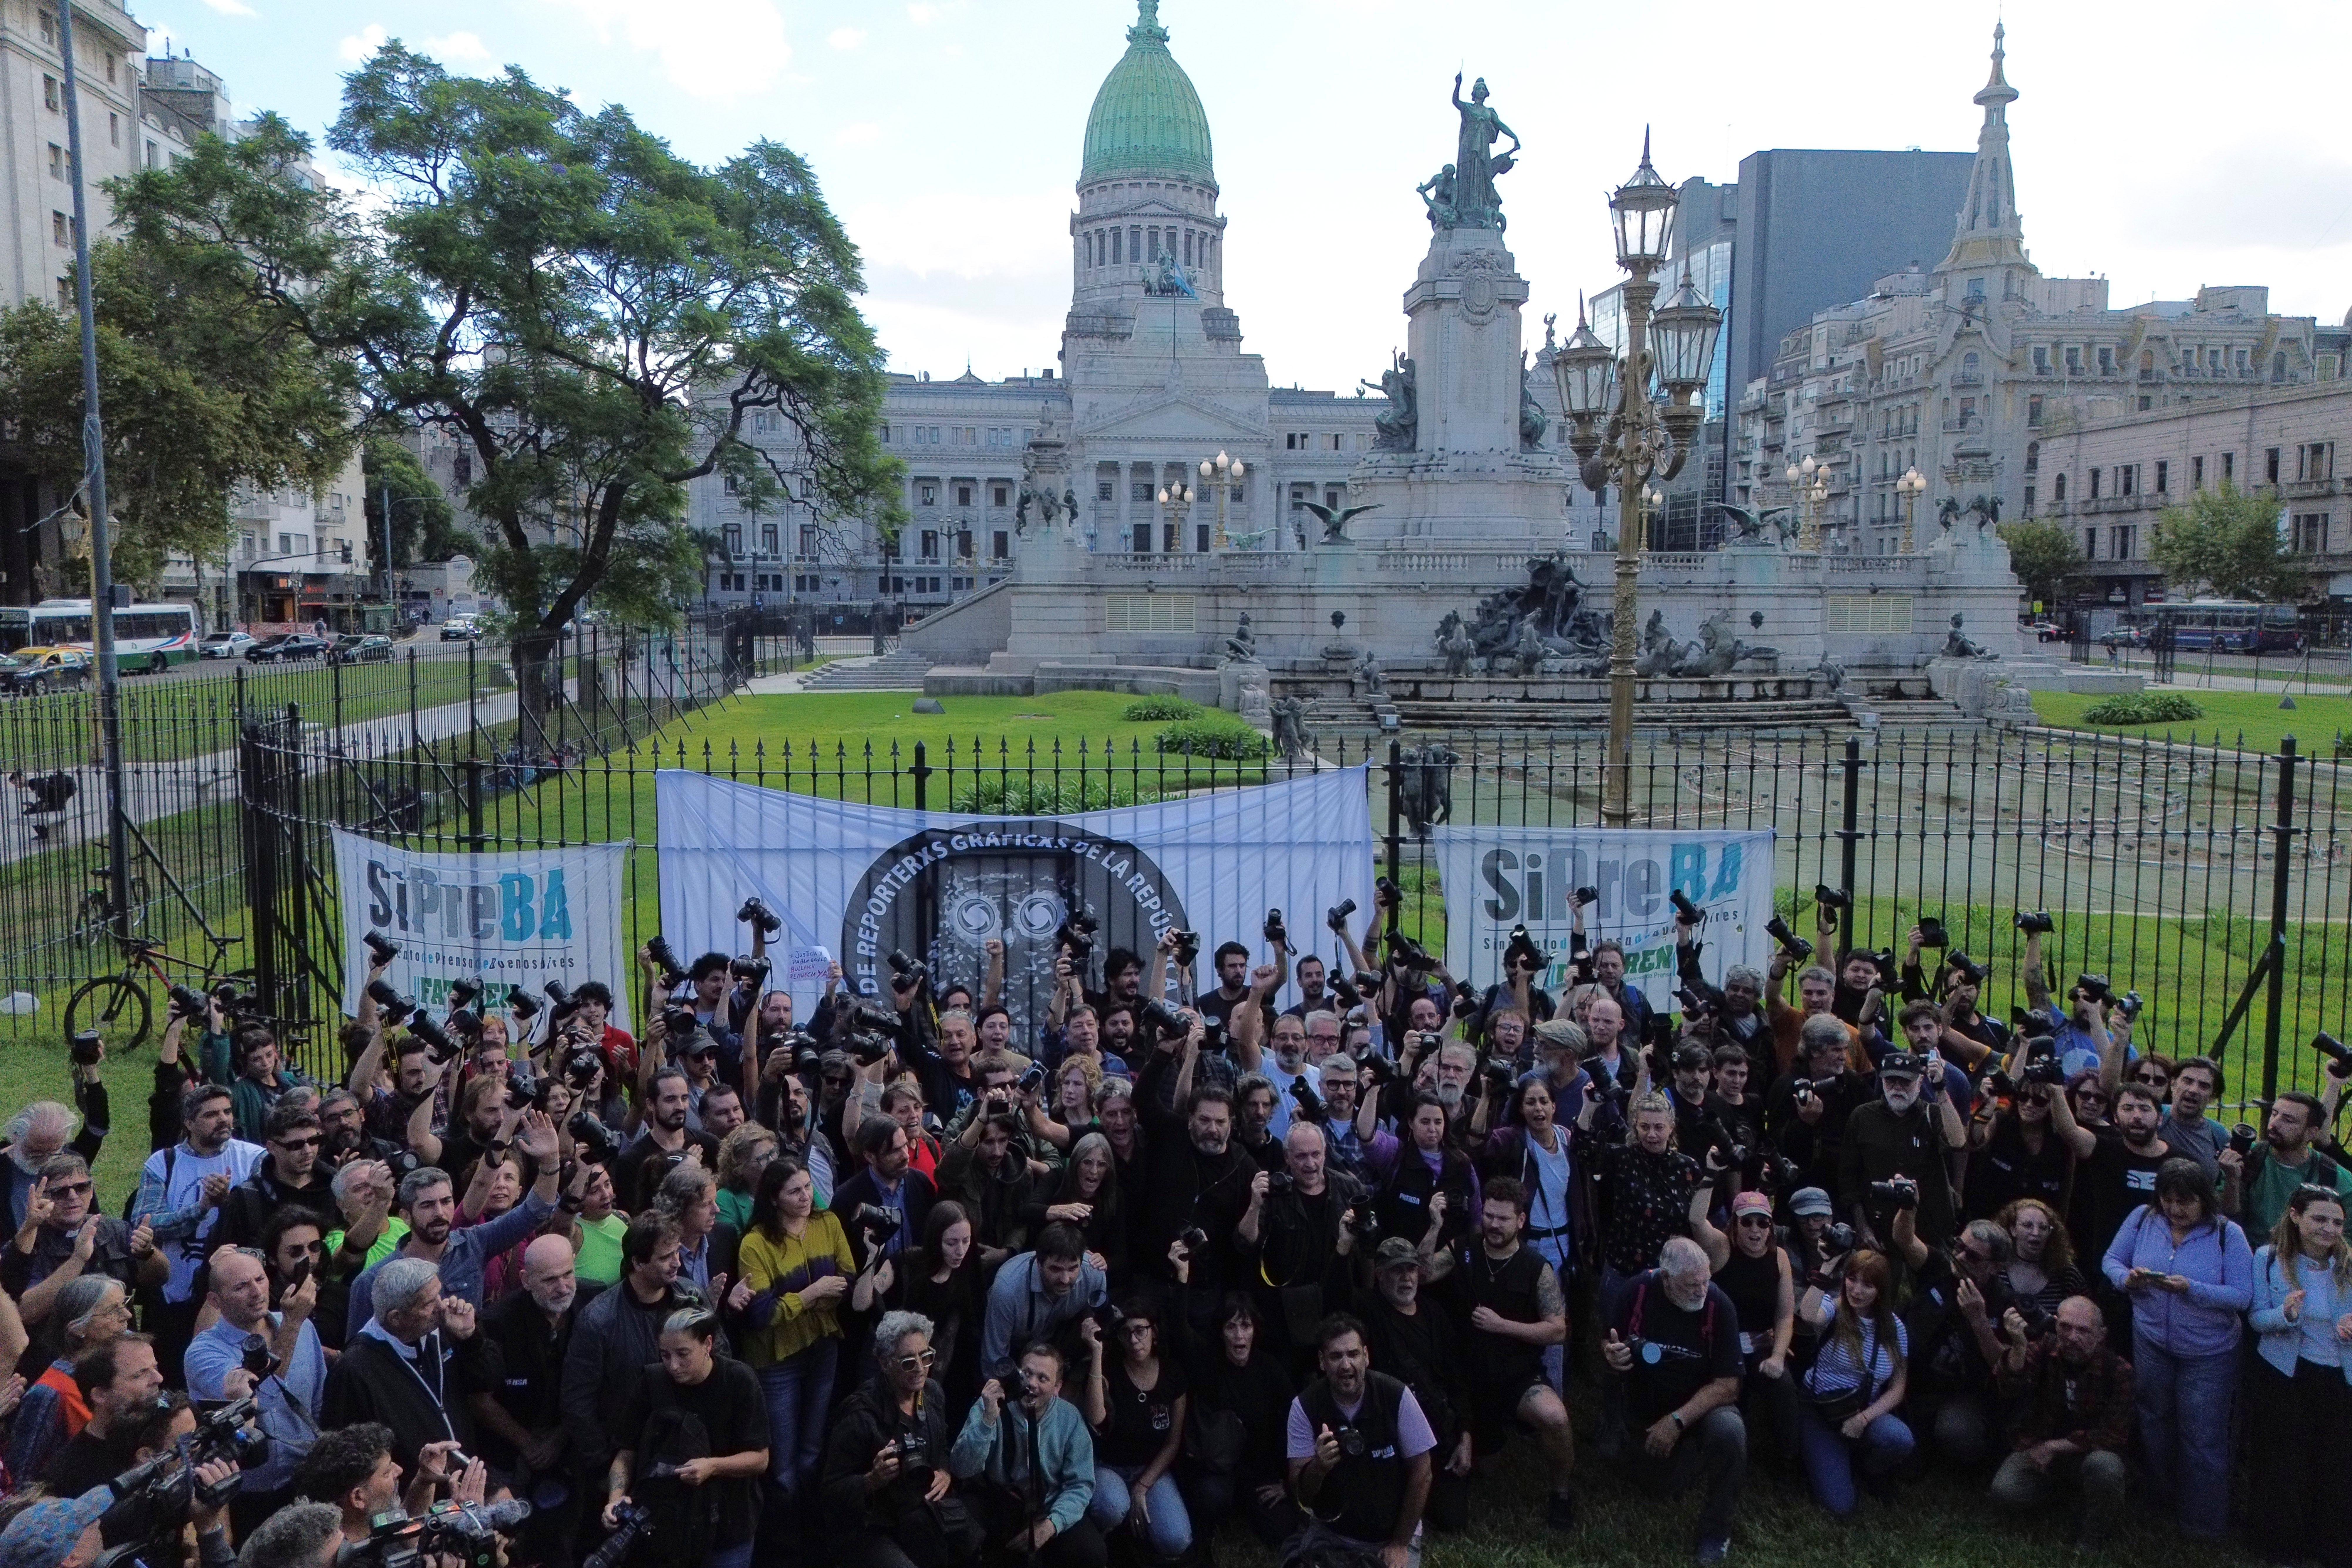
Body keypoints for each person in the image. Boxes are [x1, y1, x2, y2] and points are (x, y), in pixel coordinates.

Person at [2099, 1157, 2252, 1539]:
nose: (2174, 1210)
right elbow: (2112, 1259)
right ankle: (2160, 1499)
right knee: (2154, 1419)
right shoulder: (2142, 1218)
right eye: (2167, 1200)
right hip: (2151, 1340)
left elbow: (2242, 1295)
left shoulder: (2227, 1234)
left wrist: (2192, 1289)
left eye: (2185, 1202)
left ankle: (2203, 1522)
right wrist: (2127, 1280)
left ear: (2204, 1199)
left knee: (2203, 1436)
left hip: (2209, 1353)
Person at [1421, 1177, 1574, 1527]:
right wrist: (1434, 1227)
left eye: (1503, 1218)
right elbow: (1422, 1274)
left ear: (1520, 1221)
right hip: (1466, 1378)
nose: (1493, 1224)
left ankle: (1561, 1493)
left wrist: (1502, 1325)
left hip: (1516, 1375)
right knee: (1484, 1468)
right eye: (1489, 1216)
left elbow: (1557, 1330)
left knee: (1555, 1418)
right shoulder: (1463, 1249)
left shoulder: (1536, 1268)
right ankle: (1488, 1441)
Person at [346, 1110, 563, 1333]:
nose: (440, 1212)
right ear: (406, 1216)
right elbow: (359, 1347)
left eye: (446, 1201)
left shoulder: (474, 1244)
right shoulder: (373, 1281)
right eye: (427, 1205)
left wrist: (550, 1160)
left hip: (471, 1353)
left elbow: (535, 1211)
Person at [1601, 1237, 1746, 1564]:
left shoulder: (1719, 1305)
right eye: (1692, 1285)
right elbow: (1608, 1340)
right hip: (1649, 1404)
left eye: (1706, 1281)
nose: (1701, 1291)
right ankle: (1686, 1455)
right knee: (1660, 1487)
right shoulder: (1637, 1291)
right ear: (1665, 1277)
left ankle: (1716, 1530)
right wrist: (1612, 1355)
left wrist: (1677, 1421)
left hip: (1703, 1404)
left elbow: (1728, 1386)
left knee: (1729, 1432)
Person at [602, 1307, 770, 1568]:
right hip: (666, 1526)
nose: (674, 1366)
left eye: (683, 1354)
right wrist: (616, 1499)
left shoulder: (740, 1381)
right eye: (665, 1355)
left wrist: (712, 1466)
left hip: (728, 1524)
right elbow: (626, 1451)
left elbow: (760, 1459)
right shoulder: (652, 1382)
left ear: (708, 1345)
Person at [563, 1215, 713, 1504]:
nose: (677, 1262)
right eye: (665, 1257)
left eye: (677, 1252)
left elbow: (720, 1360)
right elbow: (578, 1401)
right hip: (624, 1459)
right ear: (638, 1262)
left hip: (691, 1453)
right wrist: (604, 1465)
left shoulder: (691, 1297)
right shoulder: (599, 1320)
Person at [736, 1156, 854, 1509]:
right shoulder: (755, 1243)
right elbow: (762, 1313)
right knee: (783, 1463)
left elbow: (847, 1279)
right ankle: (783, 1529)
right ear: (774, 1198)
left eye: (807, 1187)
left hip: (823, 1345)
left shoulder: (827, 1222)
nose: (806, 1197)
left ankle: (811, 1521)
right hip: (777, 1359)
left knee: (813, 1449)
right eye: (794, 1191)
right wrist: (812, 1293)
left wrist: (805, 1300)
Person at [2247, 1184, 2352, 1566]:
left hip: (2339, 1378)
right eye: (2320, 1219)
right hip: (2286, 1374)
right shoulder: (2268, 1258)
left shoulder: (2349, 1264)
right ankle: (2282, 1547)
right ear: (2295, 1216)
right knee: (2285, 1463)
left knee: (2336, 1465)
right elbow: (2256, 1318)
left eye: (2337, 1222)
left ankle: (2332, 1547)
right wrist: (2285, 1314)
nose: (2329, 1229)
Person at [187, 1245, 325, 1532]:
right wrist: (292, 1323)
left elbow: (318, 1402)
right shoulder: (203, 1353)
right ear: (215, 1300)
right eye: (241, 1287)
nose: (257, 1292)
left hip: (307, 1481)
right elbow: (265, 1398)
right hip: (246, 1494)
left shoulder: (304, 1328)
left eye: (260, 1279)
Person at [129, 1082, 264, 1370]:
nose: (223, 1119)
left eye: (227, 1112)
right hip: (176, 1297)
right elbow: (146, 1224)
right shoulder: (163, 1163)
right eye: (211, 1114)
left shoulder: (254, 1158)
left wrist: (229, 1203)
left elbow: (263, 1225)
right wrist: (201, 1208)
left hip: (238, 1298)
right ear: (189, 1122)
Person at [1285, 1313, 1435, 1568]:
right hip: (1331, 1533)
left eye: (1353, 1354)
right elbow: (1302, 1493)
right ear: (1322, 1361)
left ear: (1366, 1356)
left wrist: (1400, 1543)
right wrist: (1318, 1468)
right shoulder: (1304, 1406)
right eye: (1336, 1356)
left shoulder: (1397, 1396)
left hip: (1391, 1537)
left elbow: (1423, 1473)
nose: (1346, 1365)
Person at [1986, 1296, 2133, 1551]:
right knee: (2005, 1491)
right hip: (2040, 1446)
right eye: (2066, 1327)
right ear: (2055, 1325)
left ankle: (2092, 1535)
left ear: (2102, 1335)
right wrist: (2019, 1346)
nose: (2073, 1337)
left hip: (2088, 1453)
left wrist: (2055, 1446)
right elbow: (2009, 1389)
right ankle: (2067, 1496)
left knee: (2106, 1467)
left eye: (2084, 1331)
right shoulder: (2044, 1349)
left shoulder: (2119, 1371)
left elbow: (2113, 1434)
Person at [321, 1255, 493, 1472]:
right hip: (411, 1488)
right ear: (396, 1318)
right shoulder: (355, 1369)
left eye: (439, 1294)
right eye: (429, 1303)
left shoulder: (447, 1329)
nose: (442, 1306)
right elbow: (345, 1456)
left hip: (466, 1475)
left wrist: (470, 1338)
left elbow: (489, 1382)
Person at [469, 1234, 579, 1558]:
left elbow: (597, 1385)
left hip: (570, 1443)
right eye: (550, 1280)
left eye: (568, 1274)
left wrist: (560, 1437)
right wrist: (527, 1443)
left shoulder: (591, 1306)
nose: (563, 1287)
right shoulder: (497, 1323)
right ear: (526, 1280)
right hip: (506, 1453)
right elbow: (479, 1399)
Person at [950, 1342, 1106, 1568]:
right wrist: (987, 1420)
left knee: (1092, 1553)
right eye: (1027, 1373)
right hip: (1000, 1501)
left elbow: (1081, 1485)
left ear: (1057, 1387)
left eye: (1043, 1378)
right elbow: (961, 1468)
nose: (1032, 1383)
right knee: (962, 1532)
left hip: (1049, 1505)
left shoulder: (1070, 1419)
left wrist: (1052, 1525)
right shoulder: (991, 1405)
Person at [1791, 1249, 1911, 1516]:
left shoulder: (1895, 1328)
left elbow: (1898, 1388)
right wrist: (1826, 1269)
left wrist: (1864, 1419)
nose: (1856, 1290)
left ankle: (1869, 1468)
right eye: (1852, 1279)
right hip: (1821, 1410)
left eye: (1868, 1285)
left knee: (1900, 1439)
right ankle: (1827, 1456)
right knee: (1840, 1506)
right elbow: (1808, 1315)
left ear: (1880, 1291)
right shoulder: (1834, 1308)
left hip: (1862, 1410)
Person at [1175, 1292, 1299, 1550]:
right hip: (1221, 1468)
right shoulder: (1208, 1363)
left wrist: (1289, 1482)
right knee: (1211, 1498)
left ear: (1255, 1330)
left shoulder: (1270, 1368)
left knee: (1282, 1529)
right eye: (1231, 1327)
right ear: (1221, 1333)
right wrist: (1183, 1280)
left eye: (1246, 1326)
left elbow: (1296, 1420)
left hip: (1261, 1470)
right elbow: (1180, 1331)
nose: (1239, 1335)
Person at [1237, 1121, 1367, 1367]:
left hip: (1339, 1302)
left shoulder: (1349, 1188)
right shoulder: (1275, 1192)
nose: (1311, 1164)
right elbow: (1246, 1243)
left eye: (1316, 1154)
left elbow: (1367, 1250)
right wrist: (1254, 1205)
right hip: (1287, 1313)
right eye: (1301, 1156)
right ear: (1287, 1157)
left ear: (1325, 1152)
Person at [1075, 1299, 1189, 1564]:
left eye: (1141, 1330)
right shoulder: (1111, 1368)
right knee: (1112, 1506)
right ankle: (1108, 1533)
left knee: (1177, 1540)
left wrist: (1142, 1486)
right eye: (1126, 1332)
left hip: (1151, 1468)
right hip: (1109, 1465)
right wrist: (1096, 1355)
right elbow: (1097, 1419)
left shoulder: (1173, 1373)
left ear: (1154, 1331)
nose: (1134, 1339)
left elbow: (1173, 1442)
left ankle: (1137, 1529)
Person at [3, 1154, 158, 1322]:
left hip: (120, 1334)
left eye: (82, 1187)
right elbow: (24, 1313)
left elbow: (159, 1279)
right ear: (43, 1198)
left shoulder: (115, 1229)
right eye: (60, 1192)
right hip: (59, 1337)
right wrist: (78, 1260)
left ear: (91, 1192)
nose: (73, 1196)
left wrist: (147, 1254)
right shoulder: (27, 1245)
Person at [1837, 1051, 1961, 1253]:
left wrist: (1940, 1089)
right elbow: (1848, 1181)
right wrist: (1863, 1227)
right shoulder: (1862, 1117)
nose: (1897, 1087)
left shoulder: (1933, 1114)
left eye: (1905, 1081)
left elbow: (1958, 1142)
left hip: (1929, 1231)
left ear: (1920, 1083)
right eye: (1891, 1080)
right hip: (1880, 1231)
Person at [4, 1276, 120, 1484]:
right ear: (78, 1328)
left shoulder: (117, 1373)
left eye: (124, 1305)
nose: (127, 1316)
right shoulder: (49, 1392)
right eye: (112, 1311)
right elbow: (20, 1477)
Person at [1713, 1191, 1796, 1469]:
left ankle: (1788, 1457)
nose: (1755, 1229)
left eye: (1763, 1222)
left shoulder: (1780, 1258)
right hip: (1722, 1345)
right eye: (1747, 1222)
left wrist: (1778, 1356)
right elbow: (1697, 1221)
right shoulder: (1722, 1251)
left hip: (1761, 1343)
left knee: (1784, 1385)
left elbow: (1785, 1315)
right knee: (1730, 1398)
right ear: (1734, 1225)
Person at [980, 1223, 1106, 1380]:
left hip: (1060, 1349)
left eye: (1073, 1269)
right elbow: (994, 1361)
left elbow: (1098, 1327)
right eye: (1056, 1269)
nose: (1065, 1279)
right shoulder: (1007, 1289)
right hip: (1012, 1350)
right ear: (1039, 1263)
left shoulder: (1094, 1273)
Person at [39, 1334, 162, 1493]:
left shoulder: (166, 1425)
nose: (159, 1378)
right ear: (100, 1395)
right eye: (140, 1374)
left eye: (155, 1368)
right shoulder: (66, 1475)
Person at [2229, 1089, 2352, 1238]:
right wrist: (2231, 1180)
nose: (2274, 1124)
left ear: (2311, 1133)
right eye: (2274, 1114)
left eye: (2288, 1120)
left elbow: (2348, 1237)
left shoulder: (2334, 1176)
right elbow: (2224, 1216)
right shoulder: (2247, 1158)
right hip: (2247, 1249)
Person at [1993, 1198, 2087, 1320]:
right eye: (2028, 1226)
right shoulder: (1995, 1268)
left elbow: (2088, 1315)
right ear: (2013, 1230)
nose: (2036, 1233)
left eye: (2043, 1228)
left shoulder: (2066, 1274)